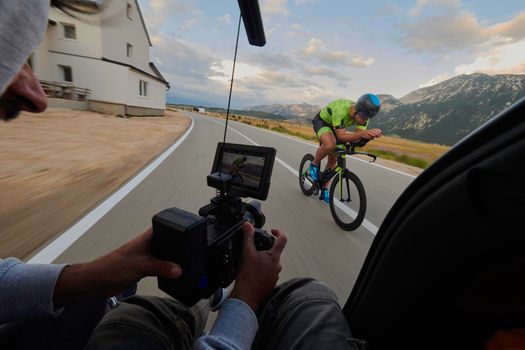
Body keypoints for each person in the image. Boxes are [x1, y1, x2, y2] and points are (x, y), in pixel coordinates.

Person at [1, 1, 365, 349]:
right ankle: (215, 299)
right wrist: (246, 301)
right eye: (14, 58)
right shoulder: (338, 110)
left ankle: (202, 298)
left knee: (146, 306)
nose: (38, 96)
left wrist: (100, 273)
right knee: (309, 296)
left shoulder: (357, 115)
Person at [309, 95, 383, 202]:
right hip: (322, 122)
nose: (364, 120)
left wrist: (369, 137)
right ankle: (314, 164)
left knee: (333, 158)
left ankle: (324, 187)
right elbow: (342, 137)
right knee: (330, 145)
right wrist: (362, 134)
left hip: (338, 128)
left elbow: (357, 139)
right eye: (363, 116)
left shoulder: (364, 117)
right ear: (357, 109)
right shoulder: (341, 109)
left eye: (368, 117)